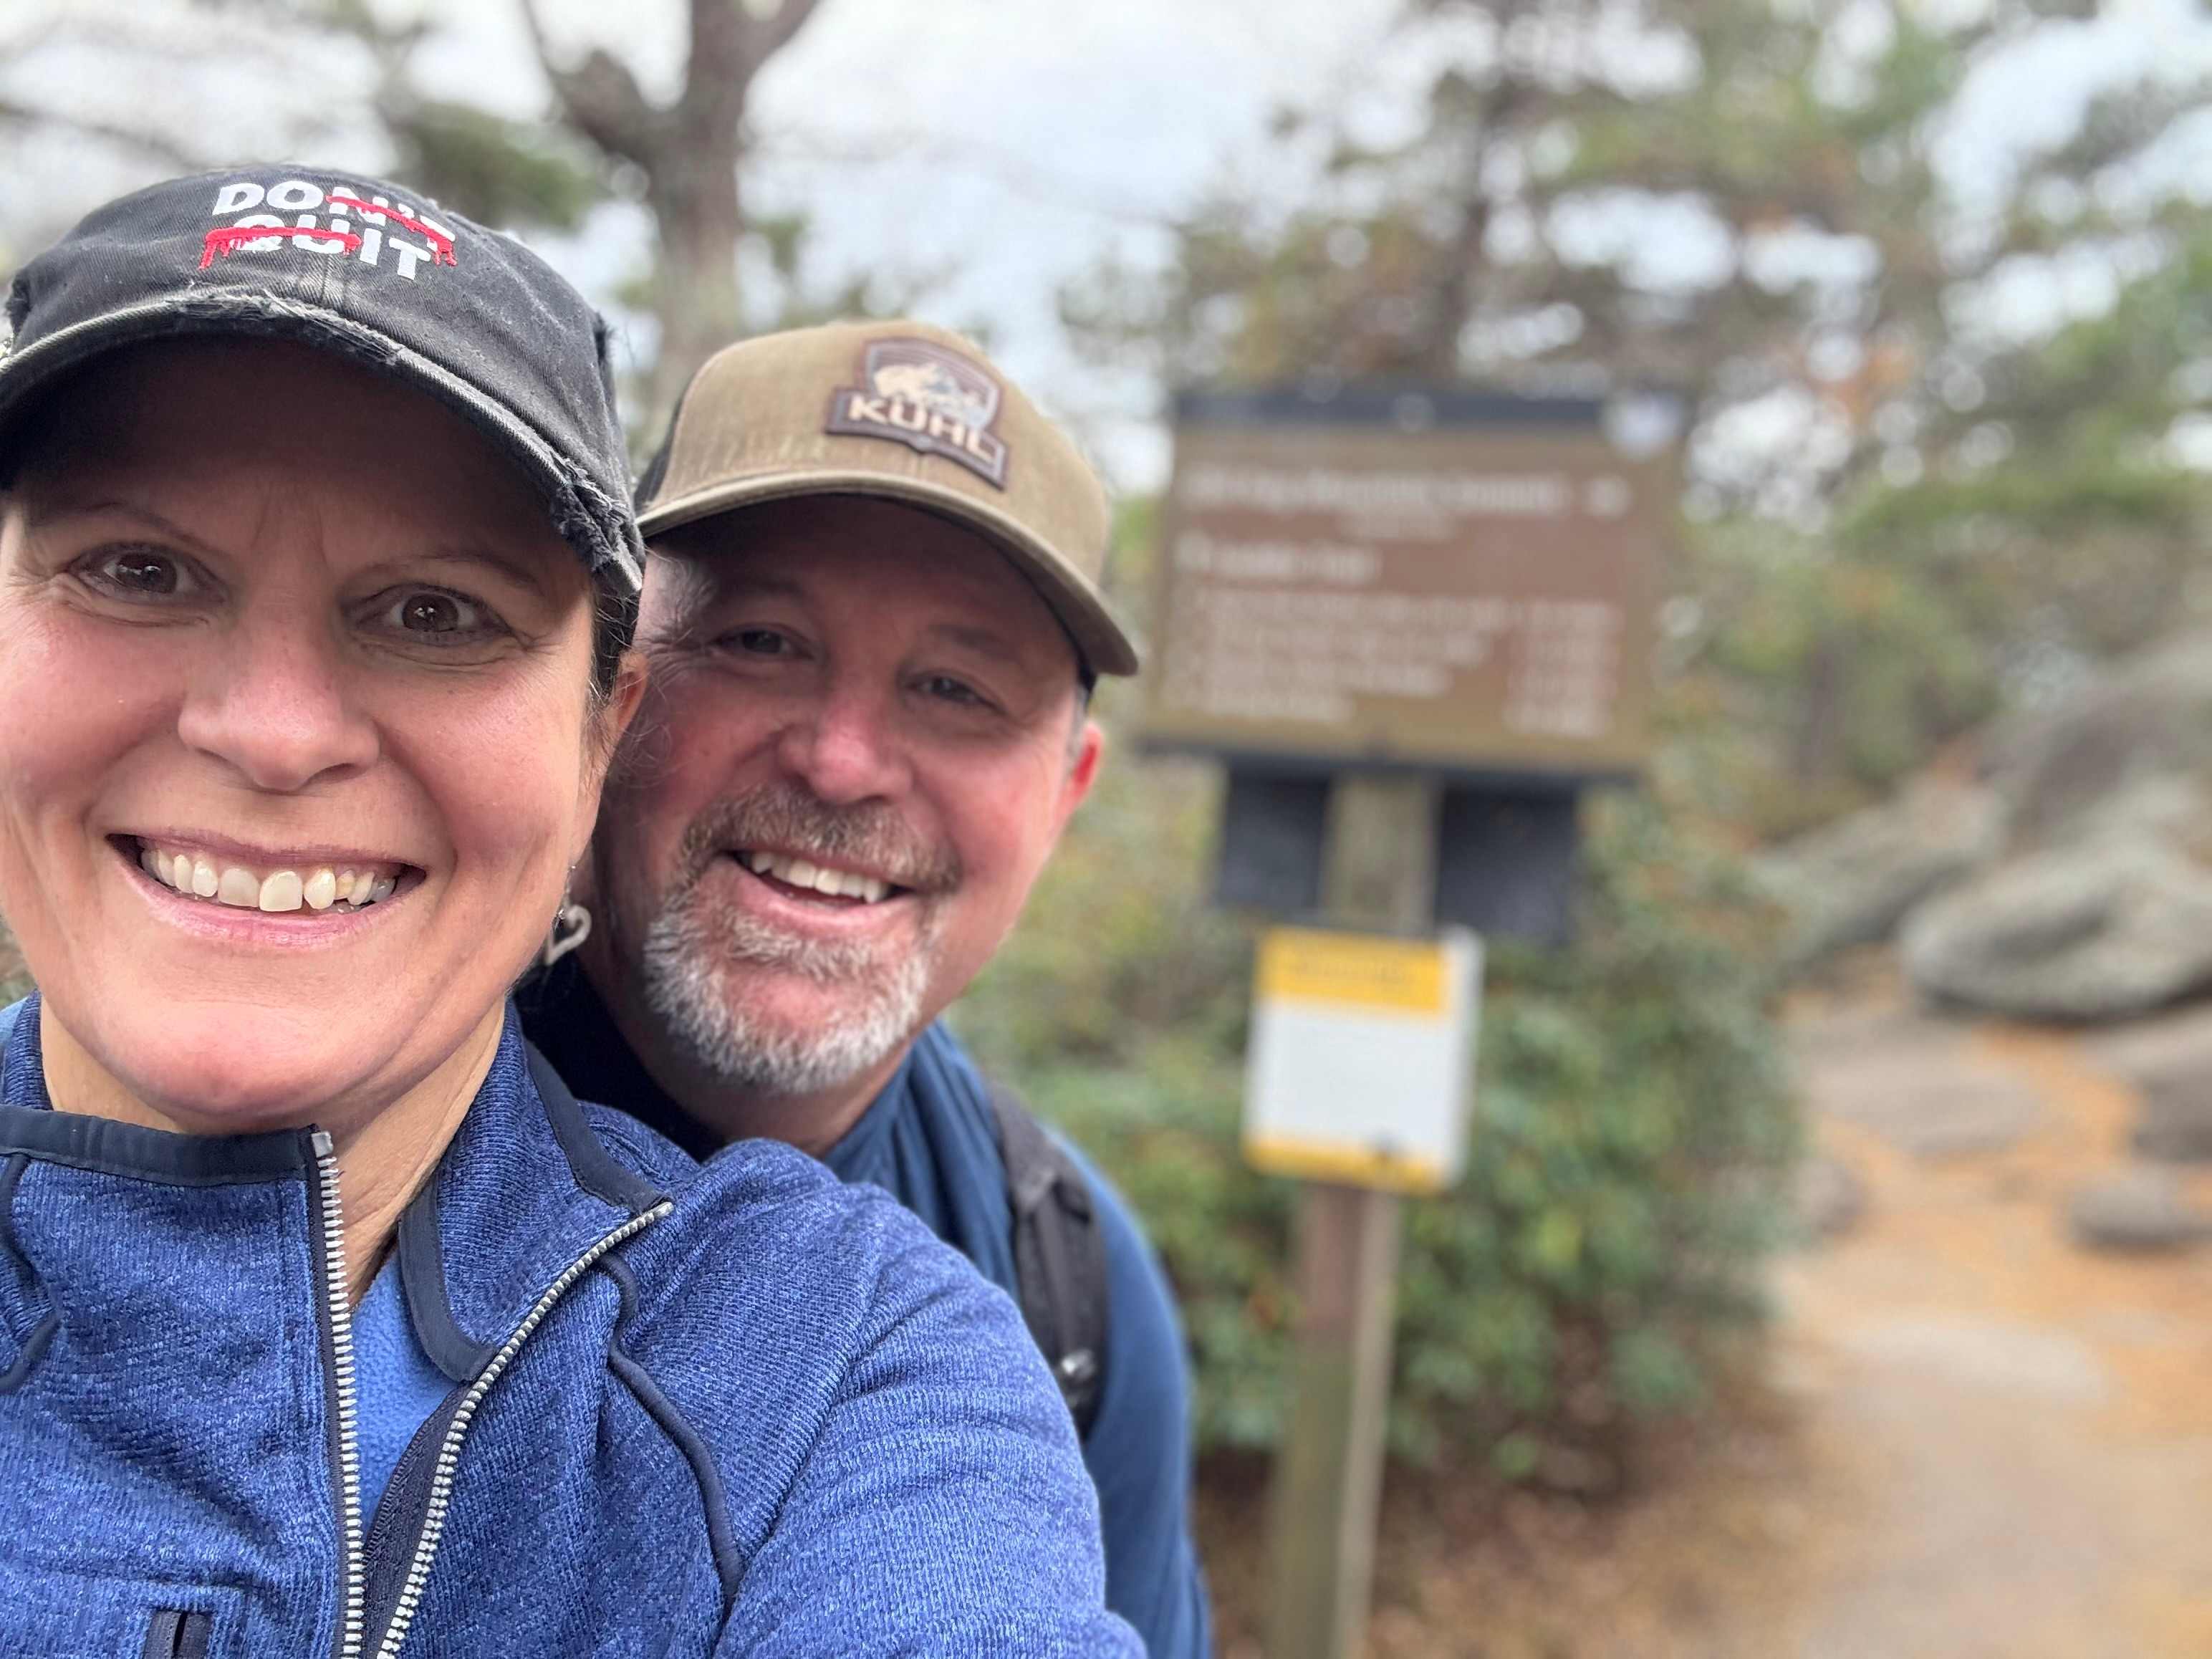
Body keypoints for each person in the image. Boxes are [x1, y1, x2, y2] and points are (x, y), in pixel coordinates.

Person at [0, 168, 1138, 1656]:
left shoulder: (878, 1363)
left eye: (435, 611)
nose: (272, 733)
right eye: (136, 571)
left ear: (601, 730)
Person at [521, 318, 1212, 1656]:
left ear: (1066, 795)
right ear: (609, 684)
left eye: (957, 688)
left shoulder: (1073, 1286)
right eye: (763, 642)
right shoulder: (341, 1149)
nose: (843, 763)